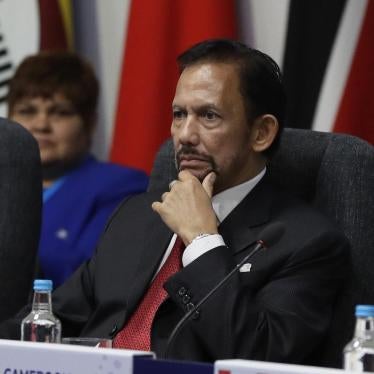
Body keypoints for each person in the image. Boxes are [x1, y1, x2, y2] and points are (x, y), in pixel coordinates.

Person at [0, 40, 349, 365]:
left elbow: (259, 356)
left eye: (208, 116)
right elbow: (48, 321)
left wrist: (202, 241)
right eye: (179, 115)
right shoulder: (137, 215)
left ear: (261, 133)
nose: (185, 135)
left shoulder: (306, 242)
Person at [7, 51, 148, 288]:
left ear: (89, 123)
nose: (41, 125)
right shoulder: (6, 187)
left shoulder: (122, 188)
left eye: (60, 112)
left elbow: (92, 278)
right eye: (27, 111)